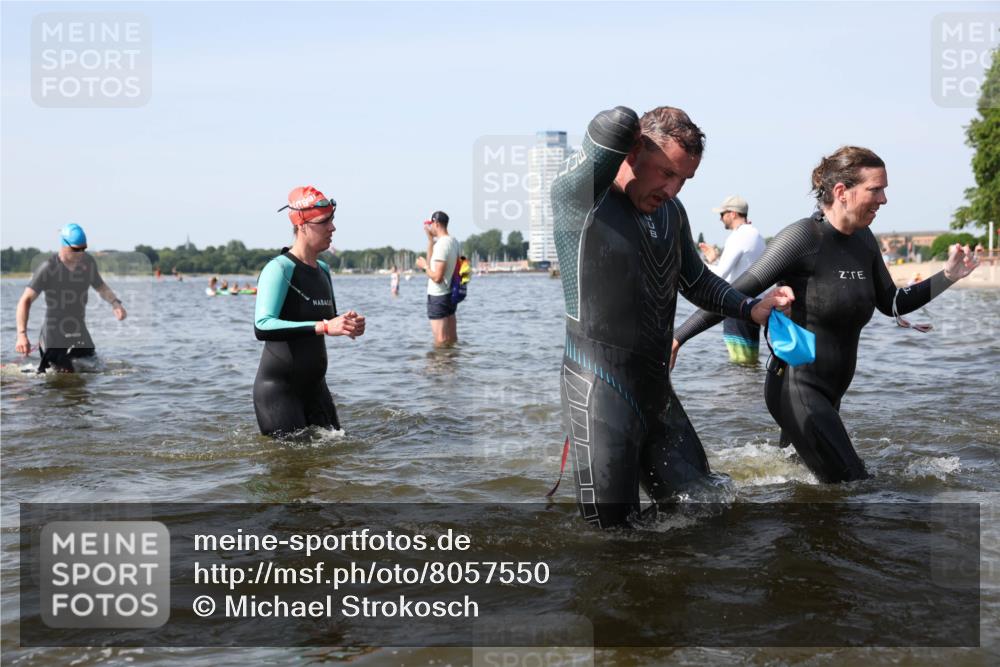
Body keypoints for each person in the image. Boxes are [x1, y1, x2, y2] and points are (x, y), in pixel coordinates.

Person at [673, 146, 980, 483]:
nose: (884, 199)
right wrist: (677, 338)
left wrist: (947, 276)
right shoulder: (803, 238)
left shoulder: (864, 240)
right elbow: (733, 293)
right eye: (875, 189)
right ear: (842, 192)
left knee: (803, 486)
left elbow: (892, 302)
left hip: (831, 394)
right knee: (856, 487)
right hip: (796, 387)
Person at [551, 106, 793, 528]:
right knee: (613, 537)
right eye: (666, 172)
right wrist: (630, 126)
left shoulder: (671, 213)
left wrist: (749, 307)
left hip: (656, 390)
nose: (672, 188)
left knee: (709, 508)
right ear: (632, 153)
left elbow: (696, 281)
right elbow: (608, 126)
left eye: (683, 179)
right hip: (599, 389)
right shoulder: (583, 199)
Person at [252, 186, 366, 437]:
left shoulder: (323, 269)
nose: (332, 228)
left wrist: (347, 324)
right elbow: (262, 326)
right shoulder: (279, 269)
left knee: (337, 451)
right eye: (324, 222)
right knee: (292, 460)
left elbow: (327, 318)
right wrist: (324, 326)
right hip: (279, 391)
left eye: (332, 220)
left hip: (316, 388)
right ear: (301, 225)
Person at [14, 224, 127, 373]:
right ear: (64, 244)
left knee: (94, 369)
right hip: (54, 334)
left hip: (78, 329)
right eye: (76, 249)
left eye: (83, 248)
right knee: (63, 374)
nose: (81, 253)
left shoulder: (88, 262)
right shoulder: (48, 268)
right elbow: (25, 300)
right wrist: (22, 335)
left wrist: (115, 303)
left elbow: (100, 286)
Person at [699, 195, 767, 363]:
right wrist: (713, 261)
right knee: (749, 360)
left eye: (722, 214)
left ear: (733, 214)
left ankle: (740, 382)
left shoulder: (739, 236)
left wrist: (698, 266)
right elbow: (739, 271)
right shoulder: (756, 235)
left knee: (739, 362)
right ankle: (752, 381)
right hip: (754, 304)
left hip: (737, 305)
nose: (720, 218)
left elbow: (721, 274)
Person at [415, 211, 460, 346]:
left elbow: (437, 277)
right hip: (450, 294)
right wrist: (430, 241)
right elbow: (432, 264)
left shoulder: (442, 245)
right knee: (452, 339)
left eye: (431, 224)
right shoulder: (453, 241)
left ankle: (440, 360)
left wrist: (424, 267)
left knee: (441, 341)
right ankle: (453, 360)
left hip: (438, 296)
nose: (429, 227)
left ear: (436, 224)